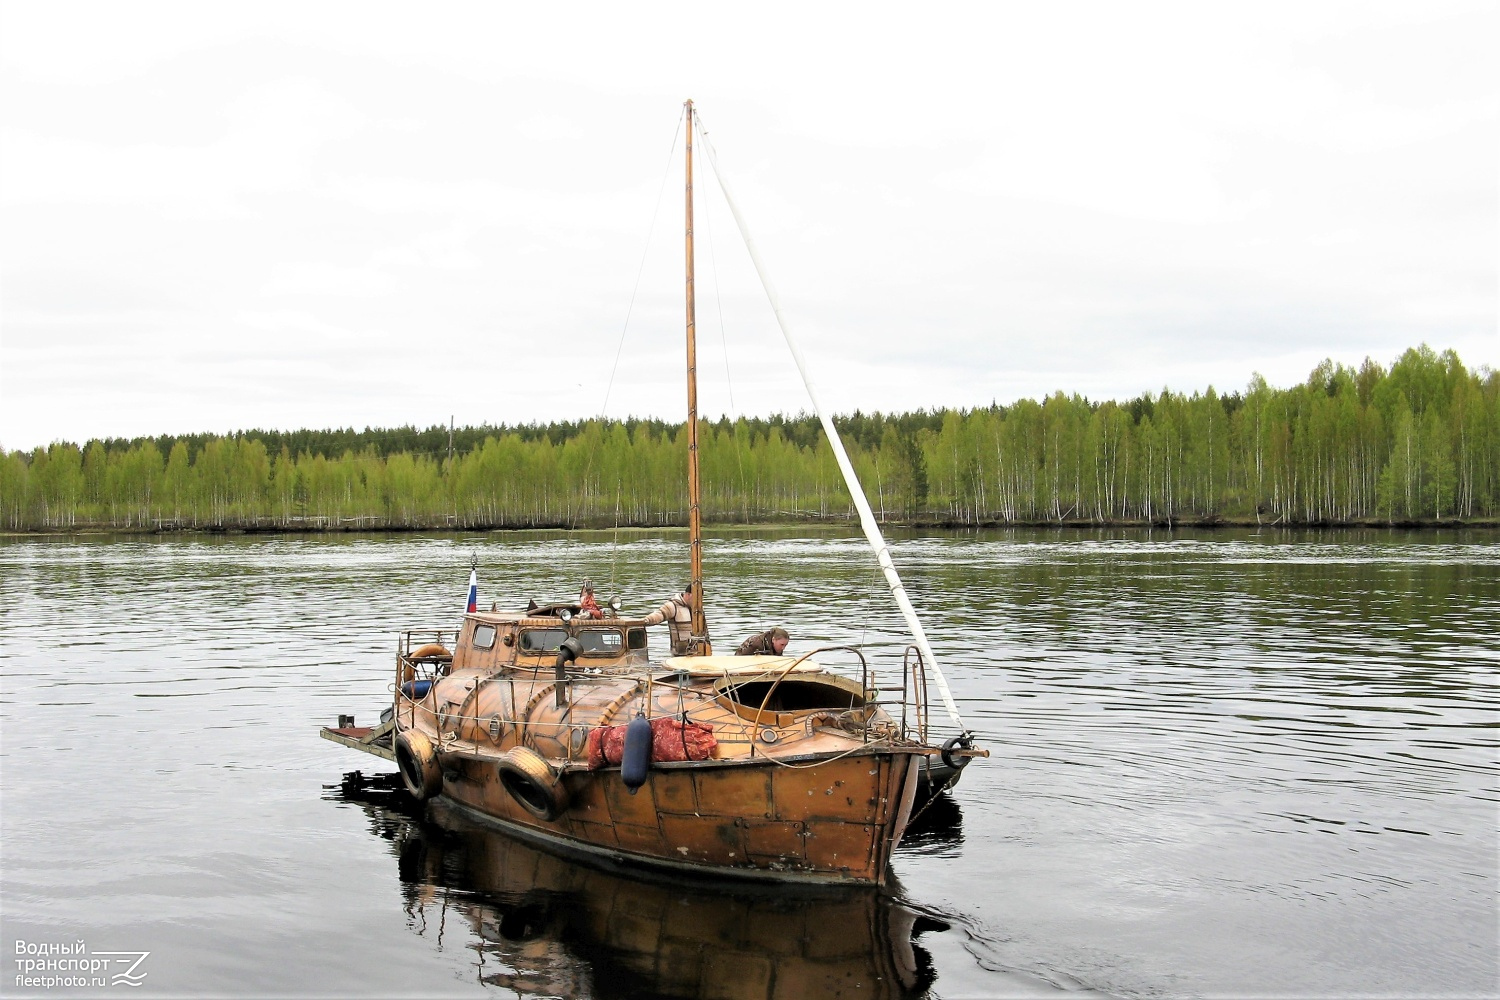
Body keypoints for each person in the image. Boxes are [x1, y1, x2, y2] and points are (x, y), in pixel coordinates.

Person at [641, 583, 698, 655]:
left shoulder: (697, 609)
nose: (698, 601)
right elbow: (659, 615)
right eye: (696, 598)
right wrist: (645, 621)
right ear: (688, 594)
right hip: (679, 654)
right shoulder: (673, 606)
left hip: (696, 654)